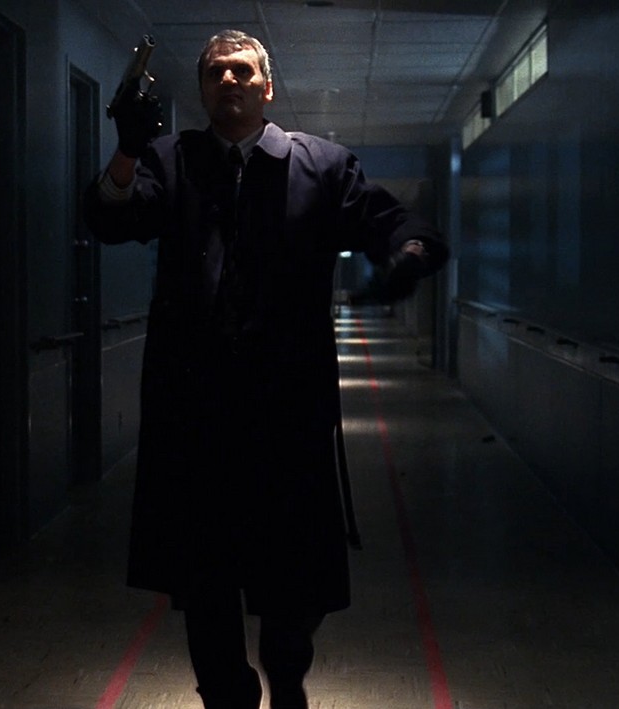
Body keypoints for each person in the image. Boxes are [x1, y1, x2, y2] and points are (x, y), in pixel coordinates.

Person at [83, 29, 448, 709]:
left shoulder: (321, 166)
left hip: (287, 418)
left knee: (292, 590)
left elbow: (389, 221)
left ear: (268, 87)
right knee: (205, 586)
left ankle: (286, 678)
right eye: (216, 72)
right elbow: (112, 218)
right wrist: (127, 148)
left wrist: (410, 254)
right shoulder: (172, 160)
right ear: (202, 89)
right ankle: (228, 694)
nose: (230, 81)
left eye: (243, 71)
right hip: (195, 420)